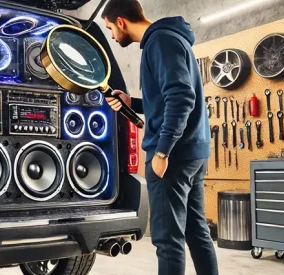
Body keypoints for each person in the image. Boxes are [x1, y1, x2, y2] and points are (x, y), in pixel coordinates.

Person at [100, 1, 218, 275]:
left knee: (168, 241)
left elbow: (181, 98)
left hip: (172, 156)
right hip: (192, 152)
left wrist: (162, 152)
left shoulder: (159, 42)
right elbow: (168, 97)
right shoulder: (171, 38)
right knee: (196, 231)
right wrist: (134, 102)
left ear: (120, 21)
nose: (113, 37)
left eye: (110, 29)